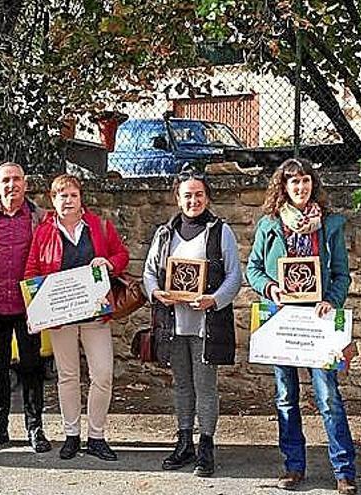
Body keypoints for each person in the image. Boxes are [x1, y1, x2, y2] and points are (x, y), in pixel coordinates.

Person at [246, 158, 357, 495]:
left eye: (305, 181)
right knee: (285, 397)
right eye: (293, 182)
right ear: (284, 186)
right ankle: (293, 466)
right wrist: (271, 289)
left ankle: (344, 471)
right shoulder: (270, 225)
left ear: (313, 184)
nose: (300, 187)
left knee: (328, 397)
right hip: (281, 322)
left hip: (317, 322)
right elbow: (254, 270)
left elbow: (341, 273)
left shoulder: (331, 225)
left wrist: (332, 300)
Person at [142, 166, 242, 477]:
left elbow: (234, 277)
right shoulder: (164, 233)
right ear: (178, 198)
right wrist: (157, 292)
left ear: (207, 198)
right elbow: (148, 273)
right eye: (187, 195)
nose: (193, 200)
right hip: (174, 324)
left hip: (205, 325)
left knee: (205, 387)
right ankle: (184, 441)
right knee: (182, 385)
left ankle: (206, 447)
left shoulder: (220, 231)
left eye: (199, 195)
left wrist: (214, 299)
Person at [24, 174, 129, 461]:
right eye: (62, 196)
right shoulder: (44, 232)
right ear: (53, 200)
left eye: (72, 195)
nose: (68, 201)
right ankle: (71, 436)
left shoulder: (99, 226)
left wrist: (109, 263)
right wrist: (35, 309)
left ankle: (96, 436)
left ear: (80, 198)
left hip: (95, 314)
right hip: (60, 316)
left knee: (103, 375)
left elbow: (122, 255)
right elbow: (32, 270)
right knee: (68, 377)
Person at [0, 162, 50, 454]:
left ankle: (35, 427)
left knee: (31, 366)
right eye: (5, 180)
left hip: (30, 305)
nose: (11, 185)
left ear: (25, 184)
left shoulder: (41, 218)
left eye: (16, 179)